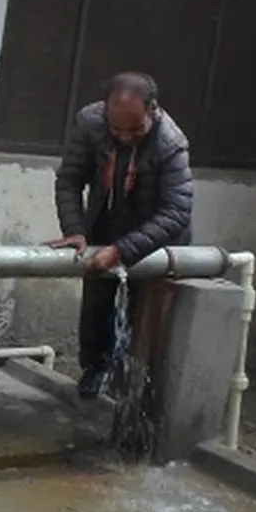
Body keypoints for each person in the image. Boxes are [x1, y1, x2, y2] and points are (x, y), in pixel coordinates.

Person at [48, 72, 193, 399]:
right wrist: (75, 229)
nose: (125, 138)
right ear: (104, 111)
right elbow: (70, 180)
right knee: (97, 302)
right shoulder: (90, 123)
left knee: (147, 316)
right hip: (107, 222)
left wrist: (123, 250)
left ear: (153, 111)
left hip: (159, 238)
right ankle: (94, 369)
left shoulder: (171, 143)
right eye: (116, 130)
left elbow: (177, 212)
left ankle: (139, 389)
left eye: (135, 130)